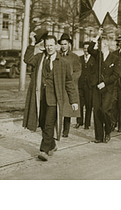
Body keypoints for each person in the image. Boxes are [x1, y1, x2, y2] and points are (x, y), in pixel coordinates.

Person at [23, 32, 78, 161]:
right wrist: (32, 42)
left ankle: (44, 150)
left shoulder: (63, 63)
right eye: (47, 45)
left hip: (54, 99)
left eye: (51, 45)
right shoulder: (39, 58)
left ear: (56, 46)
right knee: (42, 123)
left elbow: (69, 82)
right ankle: (52, 144)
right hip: (40, 98)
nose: (49, 48)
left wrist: (73, 100)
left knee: (48, 124)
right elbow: (27, 59)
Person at [88, 29, 119, 143]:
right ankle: (99, 136)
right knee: (97, 111)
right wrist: (97, 36)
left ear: (106, 44)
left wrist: (105, 82)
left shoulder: (115, 58)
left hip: (108, 89)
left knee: (105, 110)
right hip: (97, 88)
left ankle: (109, 128)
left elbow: (116, 75)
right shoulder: (98, 55)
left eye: (100, 43)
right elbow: (90, 49)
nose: (98, 45)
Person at [58, 33, 81, 137]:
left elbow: (78, 72)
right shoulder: (57, 55)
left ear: (69, 45)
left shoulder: (74, 57)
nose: (63, 46)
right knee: (57, 109)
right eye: (62, 44)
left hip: (69, 87)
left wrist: (69, 80)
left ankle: (65, 131)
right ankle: (56, 129)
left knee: (67, 110)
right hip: (58, 85)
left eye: (65, 44)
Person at [76, 41, 95, 129]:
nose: (86, 50)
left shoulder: (94, 59)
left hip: (89, 86)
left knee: (89, 105)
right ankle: (79, 122)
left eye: (87, 48)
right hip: (80, 85)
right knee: (80, 104)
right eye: (84, 48)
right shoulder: (79, 59)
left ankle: (87, 123)